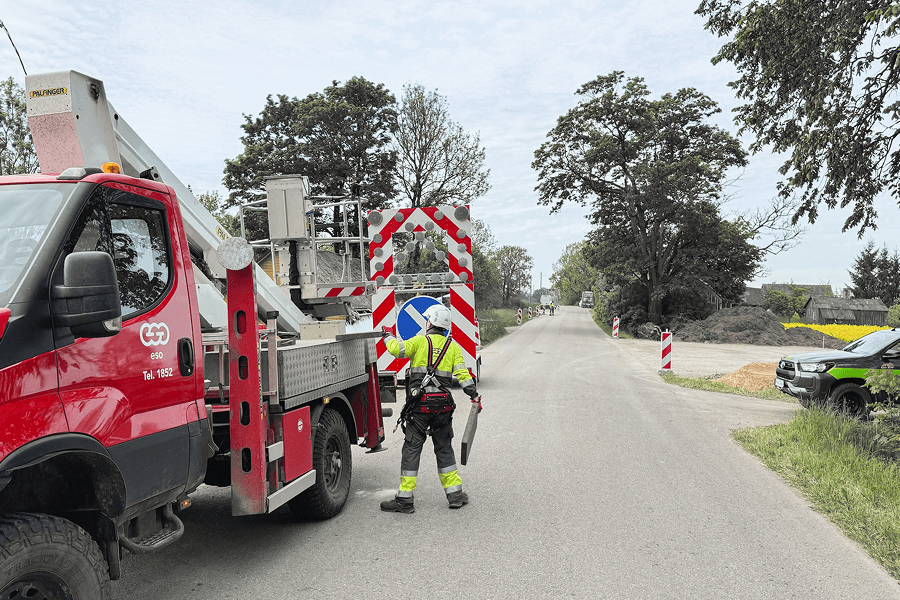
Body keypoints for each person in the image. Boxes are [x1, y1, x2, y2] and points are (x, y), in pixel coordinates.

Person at [380, 304, 482, 513]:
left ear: (430, 322)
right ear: (445, 327)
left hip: (419, 409)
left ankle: (405, 500)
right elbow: (463, 375)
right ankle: (455, 495)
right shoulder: (452, 347)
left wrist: (387, 335)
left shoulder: (419, 342)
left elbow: (396, 350)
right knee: (444, 449)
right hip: (443, 409)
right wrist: (473, 395)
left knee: (411, 450)